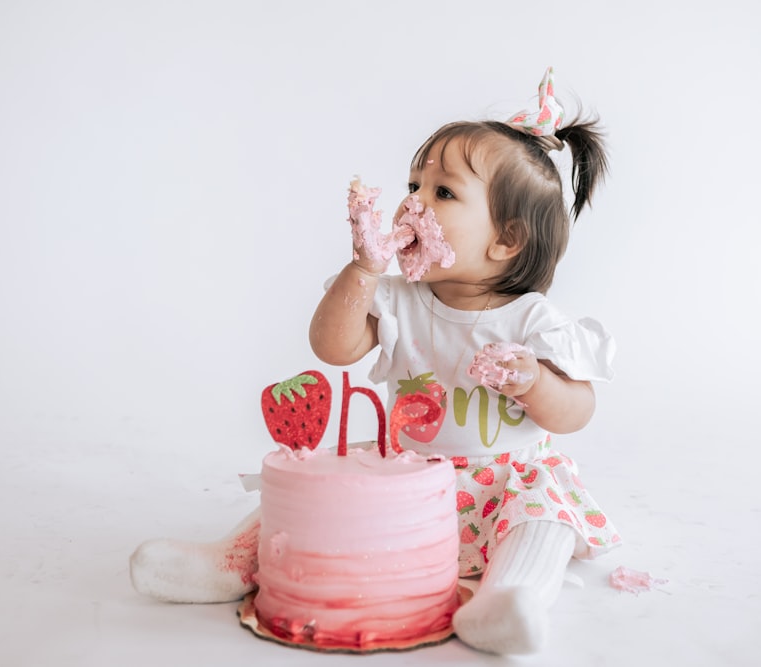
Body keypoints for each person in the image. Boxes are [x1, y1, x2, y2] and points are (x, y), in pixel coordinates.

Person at [130, 67, 620, 656]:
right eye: (413, 185)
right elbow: (332, 347)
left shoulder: (533, 321)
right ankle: (228, 563)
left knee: (544, 524)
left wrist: (534, 380)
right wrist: (363, 269)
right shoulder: (396, 298)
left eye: (442, 193)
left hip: (507, 483)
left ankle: (509, 600)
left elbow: (576, 411)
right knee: (317, 495)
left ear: (506, 241)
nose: (413, 203)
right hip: (408, 478)